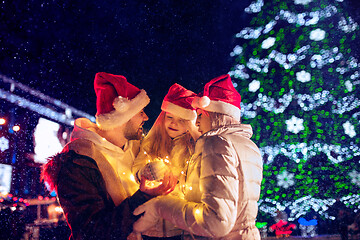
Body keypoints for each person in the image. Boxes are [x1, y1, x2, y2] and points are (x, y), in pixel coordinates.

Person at [41, 72, 177, 240]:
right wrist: (143, 197)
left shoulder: (136, 150)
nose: (146, 117)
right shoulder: (77, 162)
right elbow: (91, 232)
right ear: (122, 115)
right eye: (140, 111)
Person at [133, 74, 263, 240]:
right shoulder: (249, 145)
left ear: (212, 115)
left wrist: (160, 206)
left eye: (199, 115)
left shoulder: (216, 142)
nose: (196, 122)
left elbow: (217, 222)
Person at [132, 83, 200, 239]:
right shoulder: (151, 142)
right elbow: (136, 167)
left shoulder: (191, 149)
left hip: (178, 225)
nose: (174, 123)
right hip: (149, 225)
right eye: (170, 117)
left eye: (181, 120)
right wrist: (143, 172)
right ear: (163, 117)